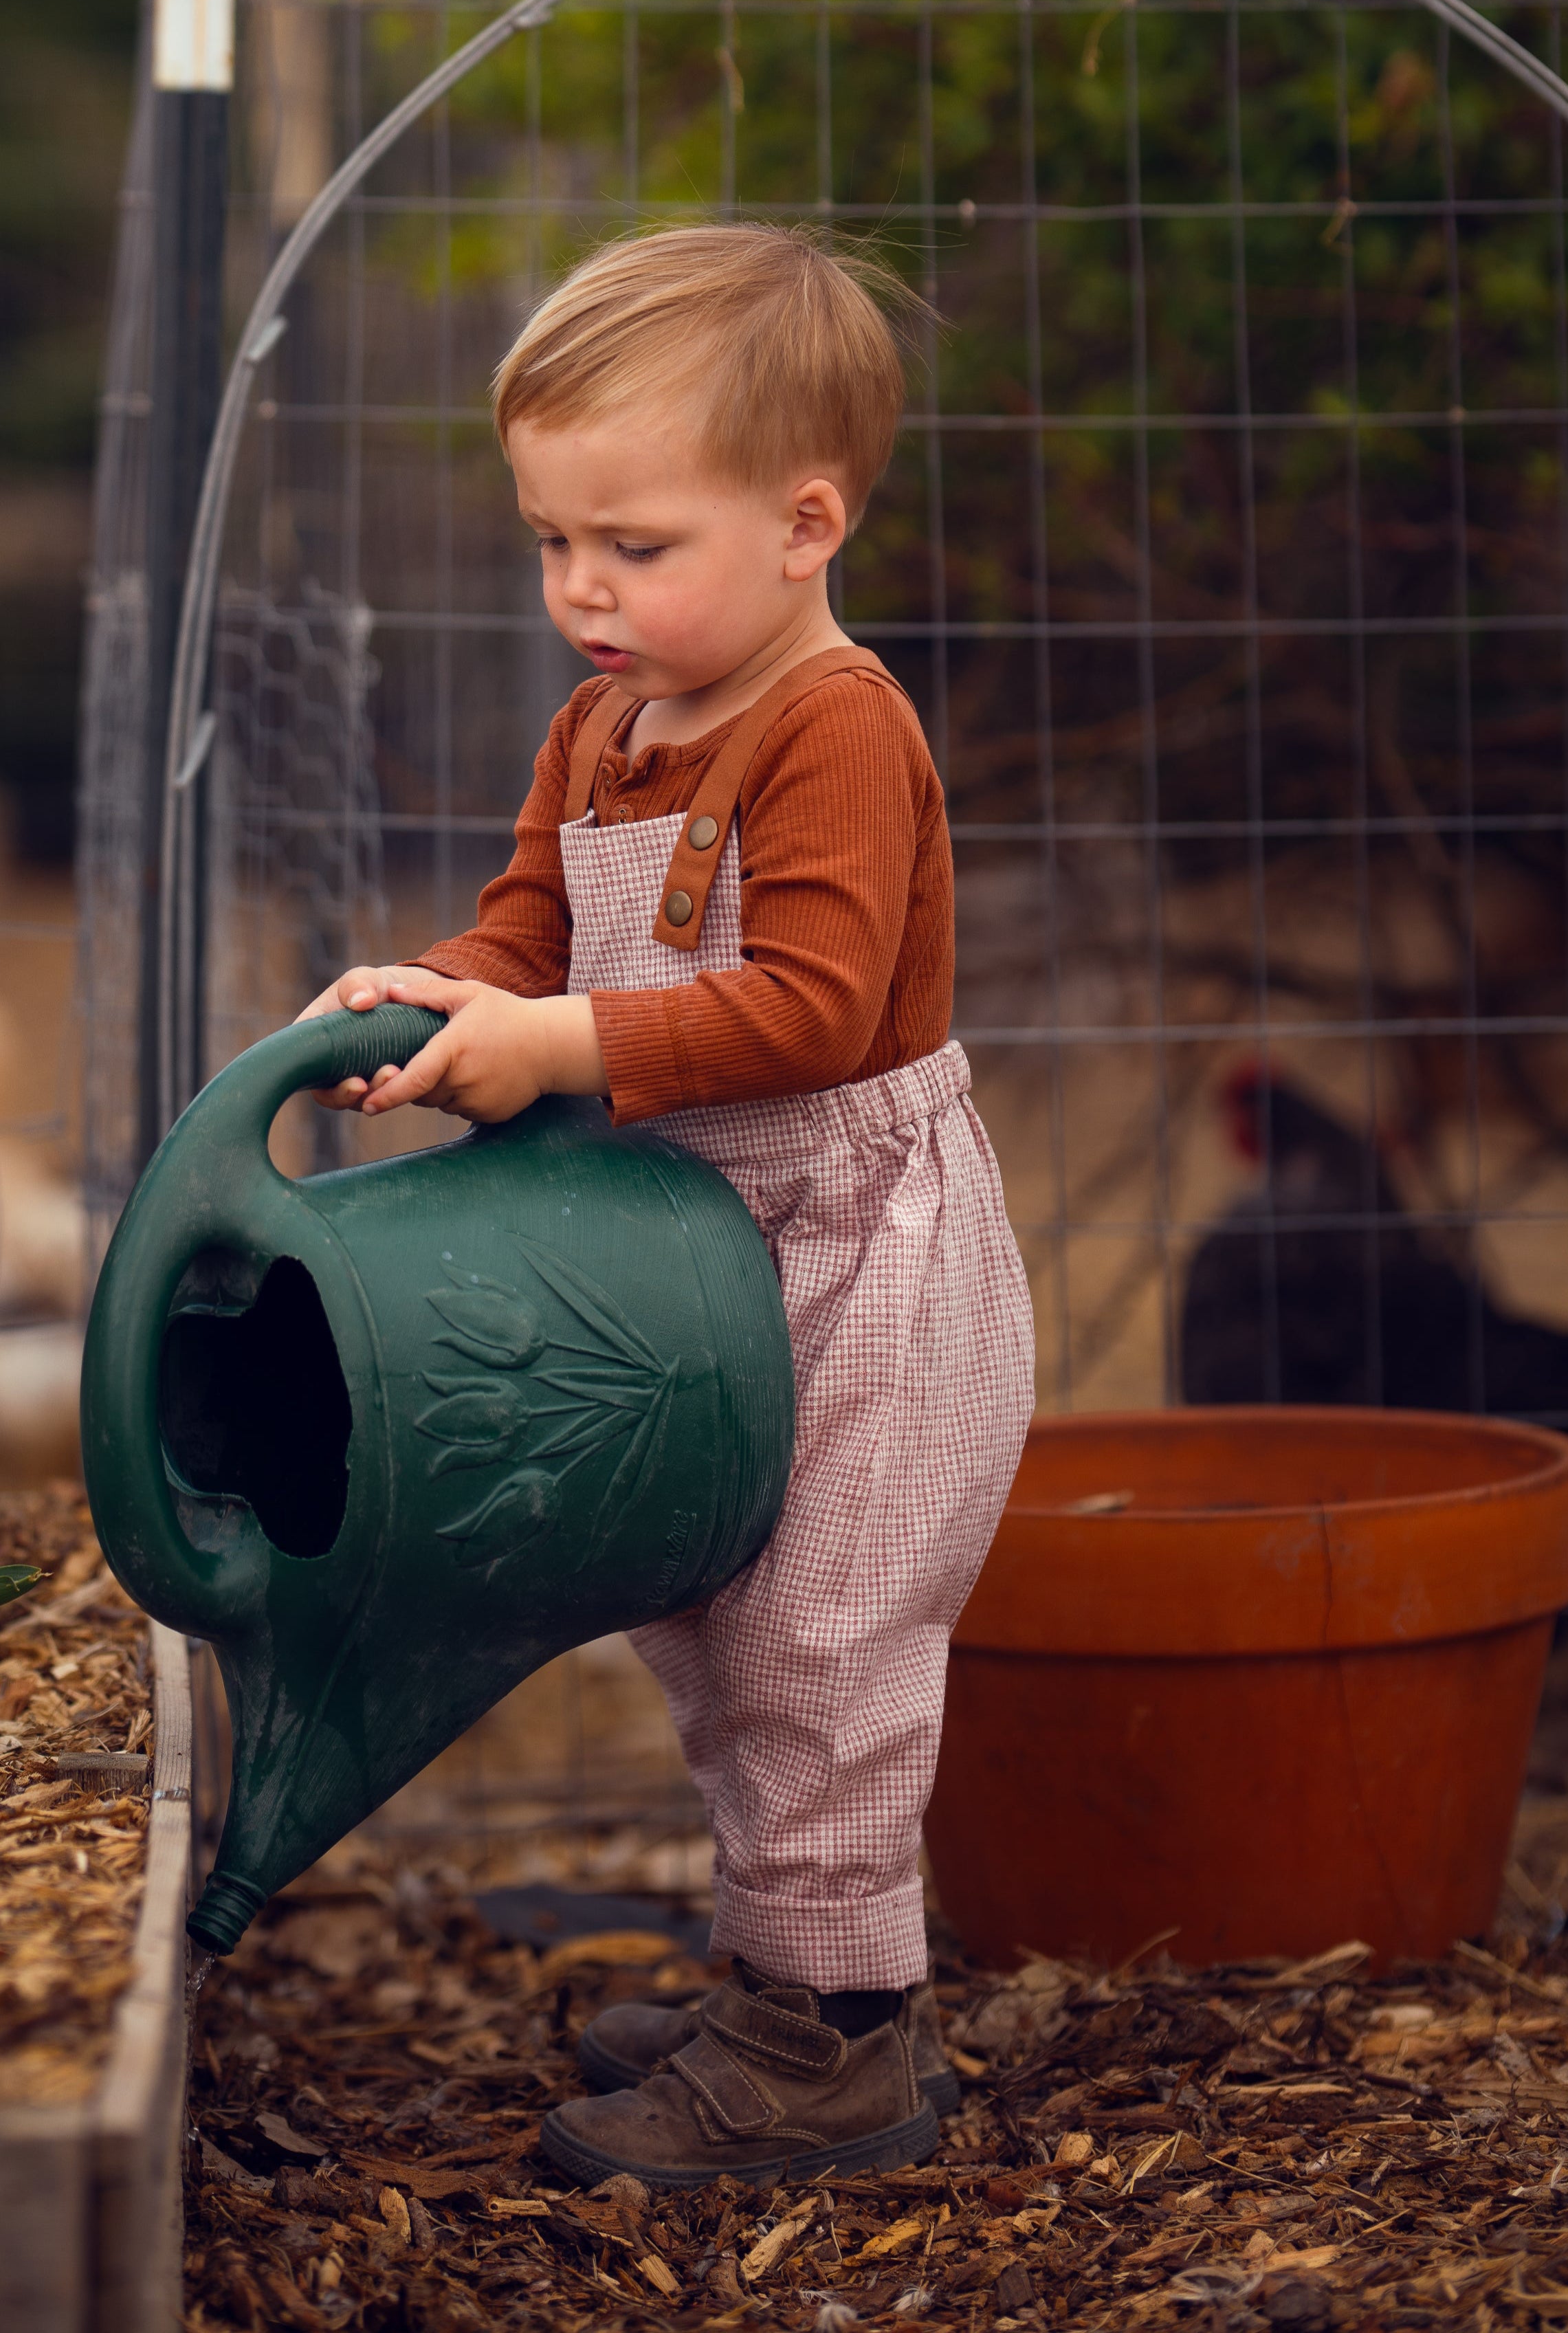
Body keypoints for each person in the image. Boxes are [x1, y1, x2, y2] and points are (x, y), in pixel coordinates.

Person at [294, 221, 1036, 2190]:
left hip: (856, 1249)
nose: (582, 592)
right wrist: (454, 987)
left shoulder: (834, 728)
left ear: (806, 523)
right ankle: (792, 1977)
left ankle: (838, 2058)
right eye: (555, 543)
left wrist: (556, 1050)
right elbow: (535, 929)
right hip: (692, 1251)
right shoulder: (606, 728)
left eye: (633, 545)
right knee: (712, 1628)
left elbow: (816, 1007)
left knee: (826, 1641)